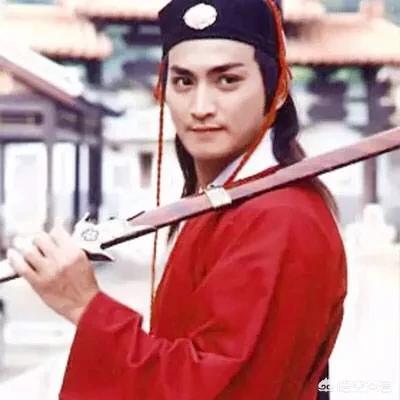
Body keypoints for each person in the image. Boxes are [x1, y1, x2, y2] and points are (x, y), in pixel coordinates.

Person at [7, 0, 347, 398]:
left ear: (277, 89)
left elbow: (224, 388)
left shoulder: (283, 218)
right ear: (163, 90)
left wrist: (86, 307)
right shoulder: (223, 201)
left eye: (227, 80)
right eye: (184, 81)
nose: (200, 108)